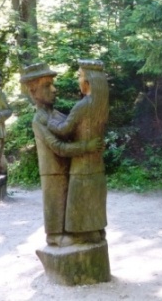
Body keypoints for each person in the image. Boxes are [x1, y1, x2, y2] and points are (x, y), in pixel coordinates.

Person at [20, 62, 104, 247]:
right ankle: (54, 235)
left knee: (68, 204)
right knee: (55, 202)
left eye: (53, 84)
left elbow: (70, 130)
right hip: (53, 171)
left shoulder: (55, 114)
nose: (54, 89)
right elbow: (58, 147)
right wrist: (86, 146)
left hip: (68, 169)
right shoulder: (39, 119)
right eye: (47, 86)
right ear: (33, 91)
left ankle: (80, 231)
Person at [48, 59, 109, 245]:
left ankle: (83, 234)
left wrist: (50, 121)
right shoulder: (101, 104)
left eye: (80, 76)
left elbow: (64, 129)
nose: (78, 80)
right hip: (96, 163)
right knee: (94, 196)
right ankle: (97, 230)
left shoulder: (83, 105)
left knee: (80, 198)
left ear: (88, 81)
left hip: (82, 163)